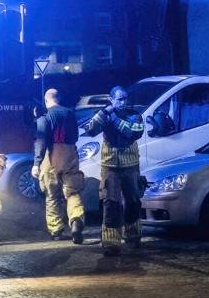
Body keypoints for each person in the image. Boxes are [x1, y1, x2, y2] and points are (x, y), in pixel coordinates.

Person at [82, 86, 145, 256]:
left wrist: (113, 117)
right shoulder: (105, 114)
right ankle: (111, 242)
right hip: (110, 167)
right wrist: (104, 113)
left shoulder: (134, 115)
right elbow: (90, 129)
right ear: (111, 100)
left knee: (133, 202)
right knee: (111, 204)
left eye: (125, 99)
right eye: (119, 99)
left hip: (131, 166)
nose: (123, 102)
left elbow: (132, 133)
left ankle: (133, 235)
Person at [34, 89, 86, 243]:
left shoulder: (45, 116)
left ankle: (56, 231)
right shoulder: (70, 113)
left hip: (51, 155)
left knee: (52, 195)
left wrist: (36, 163)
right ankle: (76, 220)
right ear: (59, 98)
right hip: (70, 153)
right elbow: (75, 136)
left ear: (46, 100)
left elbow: (41, 140)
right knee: (72, 192)